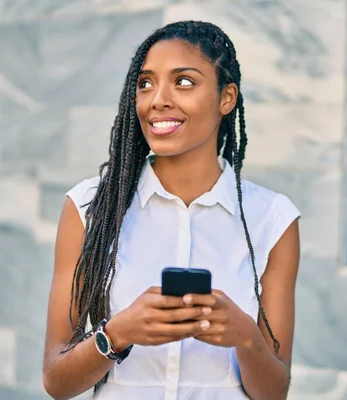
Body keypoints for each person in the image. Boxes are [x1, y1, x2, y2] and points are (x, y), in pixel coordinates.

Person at [42, 20, 301, 400]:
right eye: (145, 83)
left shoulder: (273, 219)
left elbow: (274, 392)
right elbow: (56, 381)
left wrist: (245, 337)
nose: (157, 99)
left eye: (183, 81)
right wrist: (117, 333)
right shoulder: (89, 208)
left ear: (226, 98)